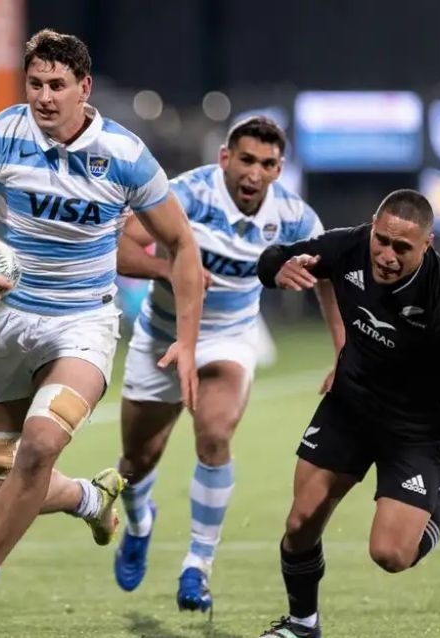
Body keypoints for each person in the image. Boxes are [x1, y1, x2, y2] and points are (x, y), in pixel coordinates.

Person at [0, 28, 205, 638]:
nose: (44, 96)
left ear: (83, 88)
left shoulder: (124, 154)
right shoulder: (3, 135)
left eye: (57, 85)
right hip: (7, 326)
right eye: (35, 83)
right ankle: (90, 499)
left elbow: (181, 244)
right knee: (6, 497)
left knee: (40, 446)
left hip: (83, 324)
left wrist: (189, 340)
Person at [252, 189, 440, 637]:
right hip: (349, 408)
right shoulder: (348, 246)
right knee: (300, 523)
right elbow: (274, 257)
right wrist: (276, 270)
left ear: (426, 245)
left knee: (392, 555)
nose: (387, 256)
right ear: (373, 227)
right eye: (382, 240)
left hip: (415, 431)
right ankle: (302, 625)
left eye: (402, 248)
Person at [112, 116, 344, 613]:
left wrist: (343, 352)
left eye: (267, 164)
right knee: (135, 462)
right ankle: (139, 523)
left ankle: (197, 565)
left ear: (278, 170)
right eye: (246, 160)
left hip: (229, 339)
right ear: (225, 158)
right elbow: (121, 245)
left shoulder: (294, 217)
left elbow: (329, 274)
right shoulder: (187, 195)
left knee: (215, 435)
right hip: (163, 335)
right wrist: (174, 270)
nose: (254, 173)